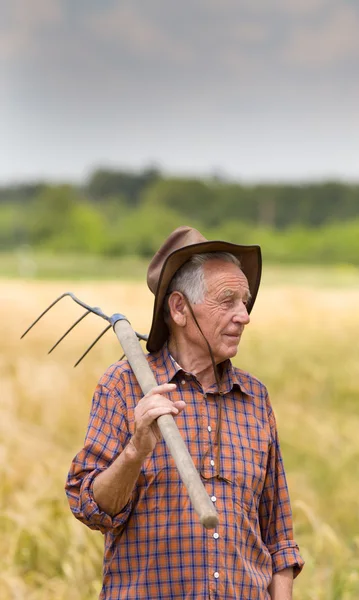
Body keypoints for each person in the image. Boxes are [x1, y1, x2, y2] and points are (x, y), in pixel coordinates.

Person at [66, 226, 304, 600]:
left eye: (245, 301)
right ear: (179, 308)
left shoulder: (255, 397)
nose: (243, 316)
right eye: (227, 301)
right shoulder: (123, 386)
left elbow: (278, 534)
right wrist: (135, 451)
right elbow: (92, 508)